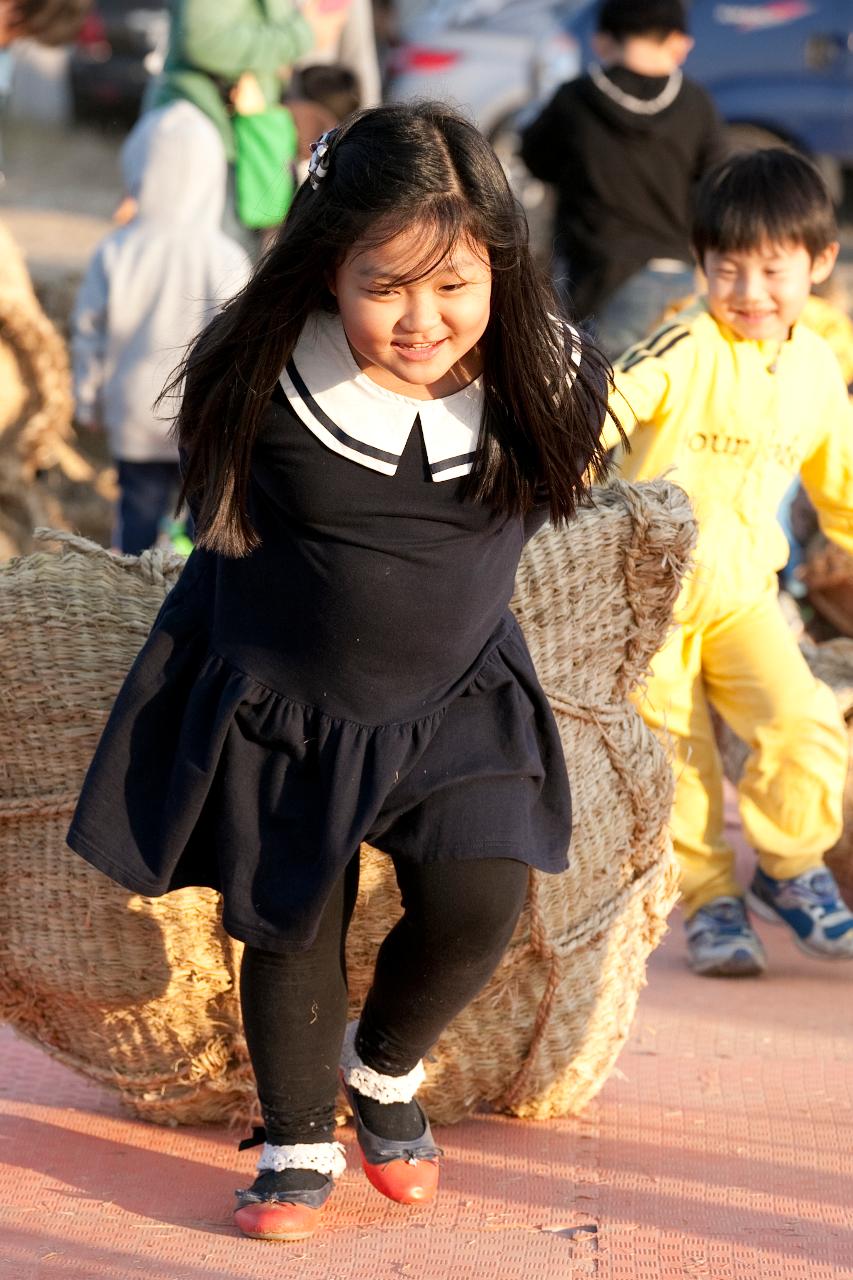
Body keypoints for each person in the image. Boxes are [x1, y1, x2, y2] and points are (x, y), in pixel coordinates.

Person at [66, 101, 612, 1242]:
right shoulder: (268, 377)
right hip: (287, 700)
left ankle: (383, 1066)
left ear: (500, 268)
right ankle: (298, 1128)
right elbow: (209, 515)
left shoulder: (544, 375)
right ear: (326, 269)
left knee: (479, 902)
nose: (424, 319)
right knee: (288, 914)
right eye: (386, 286)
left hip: (459, 691)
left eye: (455, 284)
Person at [605, 147, 853, 977]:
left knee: (805, 722)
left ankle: (789, 867)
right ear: (702, 264)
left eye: (773, 270)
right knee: (681, 763)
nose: (749, 293)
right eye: (728, 269)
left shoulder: (818, 367)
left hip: (745, 594)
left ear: (819, 262)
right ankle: (712, 900)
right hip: (653, 595)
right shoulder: (685, 341)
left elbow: (842, 484)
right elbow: (609, 404)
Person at [71, 101, 252, 555]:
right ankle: (187, 607)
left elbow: (88, 330)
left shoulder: (115, 249)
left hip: (131, 410)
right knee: (203, 524)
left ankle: (129, 605)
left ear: (138, 169)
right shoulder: (225, 255)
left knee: (135, 516)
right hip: (202, 419)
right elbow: (240, 341)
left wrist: (87, 396)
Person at [520, 0, 724, 359]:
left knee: (600, 395)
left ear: (601, 41)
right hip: (678, 276)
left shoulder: (574, 100)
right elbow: (715, 188)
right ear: (679, 42)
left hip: (595, 279)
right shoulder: (697, 103)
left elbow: (536, 159)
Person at [144, 0, 352, 252]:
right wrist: (303, 33)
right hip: (206, 142)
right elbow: (203, 40)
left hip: (240, 140)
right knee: (217, 276)